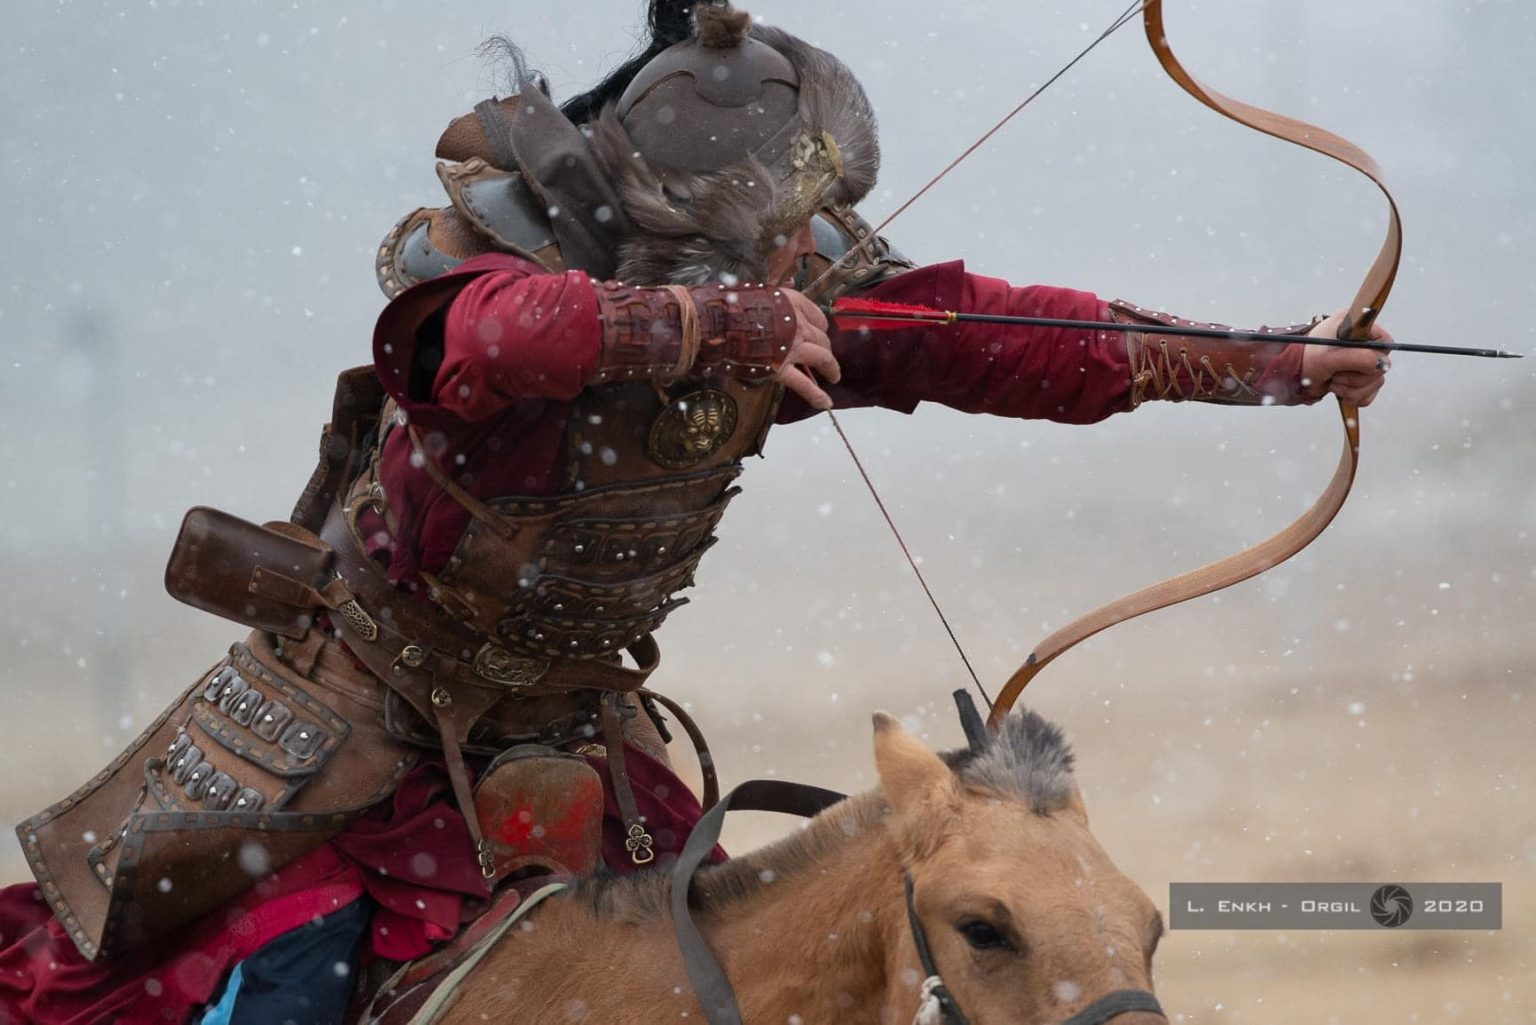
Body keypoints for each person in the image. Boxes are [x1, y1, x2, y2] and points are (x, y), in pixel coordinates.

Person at [0, 2, 1391, 1022]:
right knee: (243, 995)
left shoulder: (782, 293)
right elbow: (484, 342)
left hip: (576, 761)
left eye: (801, 236)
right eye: (766, 242)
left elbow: (987, 333)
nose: (802, 259)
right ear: (676, 225)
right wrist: (713, 325)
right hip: (347, 748)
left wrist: (1270, 361)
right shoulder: (499, 286)